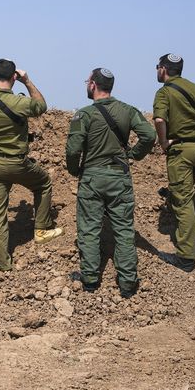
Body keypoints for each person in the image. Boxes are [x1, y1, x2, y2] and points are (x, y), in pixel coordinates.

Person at [65, 68, 156, 297]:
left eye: (87, 81)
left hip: (92, 178)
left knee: (89, 229)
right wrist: (133, 154)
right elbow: (149, 135)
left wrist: (75, 171)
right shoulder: (127, 110)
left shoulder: (84, 115)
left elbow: (73, 149)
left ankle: (90, 280)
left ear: (93, 85)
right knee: (124, 230)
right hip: (119, 177)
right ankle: (127, 283)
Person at [0, 59, 64, 272]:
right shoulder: (20, 103)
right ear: (14, 78)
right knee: (43, 183)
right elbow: (41, 106)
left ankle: (2, 265)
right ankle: (42, 229)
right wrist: (28, 81)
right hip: (18, 164)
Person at [153, 53, 195, 272]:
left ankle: (186, 258)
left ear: (163, 69)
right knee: (185, 192)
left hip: (182, 150)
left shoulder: (165, 92)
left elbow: (160, 119)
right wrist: (193, 124)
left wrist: (164, 142)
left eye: (157, 67)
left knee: (181, 201)